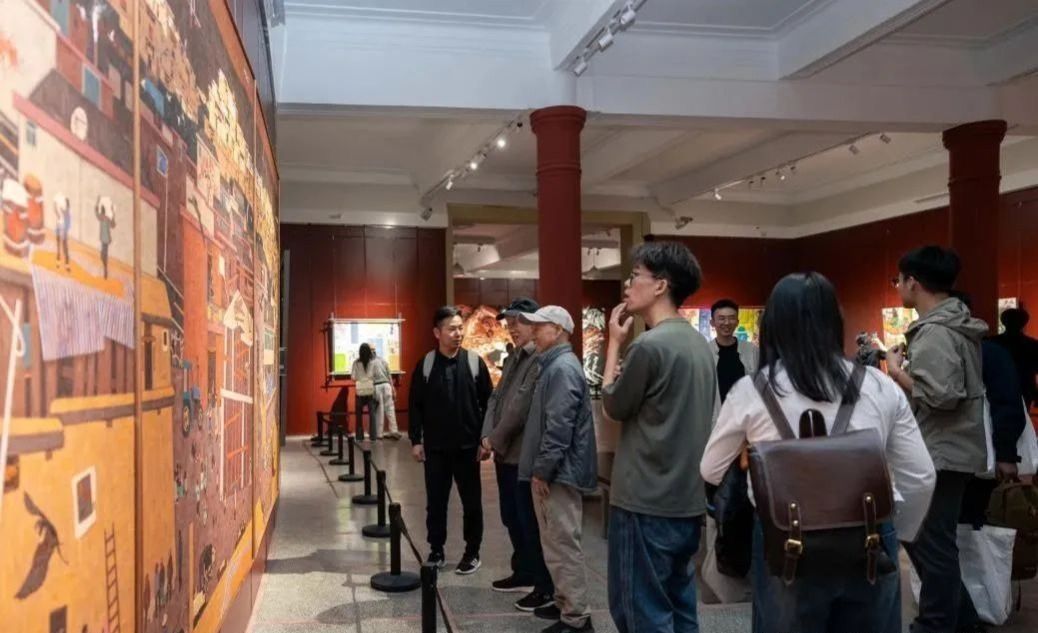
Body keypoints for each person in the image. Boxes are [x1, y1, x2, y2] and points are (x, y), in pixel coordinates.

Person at [701, 271, 936, 633]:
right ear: (835, 322)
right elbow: (921, 476)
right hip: (870, 537)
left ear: (772, 326)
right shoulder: (878, 384)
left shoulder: (753, 390)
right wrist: (896, 534)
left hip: (785, 539)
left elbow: (711, 469)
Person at [602, 241, 716, 633]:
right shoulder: (699, 345)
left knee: (640, 612)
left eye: (635, 276)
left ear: (661, 285)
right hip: (687, 501)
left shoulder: (649, 346)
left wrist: (614, 344)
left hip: (644, 501)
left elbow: (612, 406)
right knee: (681, 607)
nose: (627, 284)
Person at [886, 246, 987, 633]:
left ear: (913, 282)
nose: (898, 287)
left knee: (930, 542)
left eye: (898, 280)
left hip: (941, 451)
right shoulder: (954, 324)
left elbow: (943, 396)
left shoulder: (935, 332)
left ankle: (935, 624)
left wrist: (897, 372)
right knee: (929, 540)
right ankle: (964, 622)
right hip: (951, 449)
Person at [518, 305, 597, 633]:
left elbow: (559, 426)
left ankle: (577, 618)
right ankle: (565, 603)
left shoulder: (562, 368)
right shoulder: (552, 364)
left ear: (560, 331)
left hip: (559, 473)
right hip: (555, 471)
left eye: (540, 327)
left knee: (563, 543)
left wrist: (543, 470)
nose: (533, 332)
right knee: (554, 542)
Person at [479, 297, 556, 611]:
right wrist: (486, 436)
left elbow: (519, 408)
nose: (512, 327)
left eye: (518, 321)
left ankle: (543, 584)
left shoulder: (539, 359)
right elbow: (496, 399)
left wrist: (492, 440)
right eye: (509, 322)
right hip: (503, 453)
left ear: (535, 323)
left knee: (529, 522)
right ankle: (523, 571)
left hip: (523, 455)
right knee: (510, 516)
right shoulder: (513, 357)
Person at [408, 306, 493, 574]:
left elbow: (489, 404)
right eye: (451, 329)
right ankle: (436, 549)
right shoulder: (426, 364)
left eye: (460, 328)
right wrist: (416, 440)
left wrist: (485, 439)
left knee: (472, 503)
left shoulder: (474, 363)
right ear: (437, 333)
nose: (458, 333)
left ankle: (472, 552)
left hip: (468, 448)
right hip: (435, 449)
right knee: (436, 503)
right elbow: (415, 405)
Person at [710, 298, 759, 403]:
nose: (727, 323)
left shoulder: (752, 350)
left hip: (745, 410)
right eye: (721, 318)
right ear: (712, 322)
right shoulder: (705, 351)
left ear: (737, 322)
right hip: (715, 411)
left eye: (731, 318)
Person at [993, 308, 1038, 411]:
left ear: (1003, 322)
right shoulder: (1032, 344)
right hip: (1024, 388)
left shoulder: (992, 342)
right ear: (1024, 323)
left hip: (997, 388)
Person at [371, 350, 401, 440]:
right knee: (390, 409)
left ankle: (379, 433)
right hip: (387, 385)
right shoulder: (383, 360)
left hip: (377, 386)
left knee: (379, 411)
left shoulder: (370, 363)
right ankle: (394, 431)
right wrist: (393, 388)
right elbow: (389, 375)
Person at [350, 343, 378, 441]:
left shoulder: (356, 363)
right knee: (372, 414)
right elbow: (376, 376)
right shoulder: (373, 363)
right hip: (370, 390)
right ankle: (373, 436)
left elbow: (353, 377)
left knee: (359, 414)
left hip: (360, 391)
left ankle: (359, 436)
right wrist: (368, 380)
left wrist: (361, 380)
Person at [95, 196, 115, 279]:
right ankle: (105, 268)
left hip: (105, 239)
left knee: (104, 255)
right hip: (105, 239)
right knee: (103, 255)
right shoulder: (104, 218)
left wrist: (113, 213)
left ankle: (105, 269)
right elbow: (113, 225)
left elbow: (113, 225)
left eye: (102, 210)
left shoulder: (103, 218)